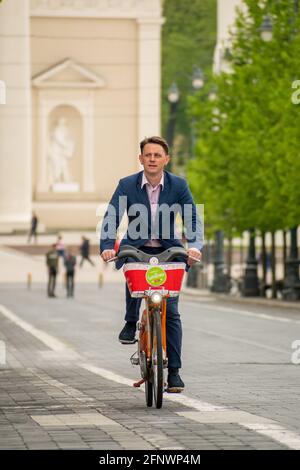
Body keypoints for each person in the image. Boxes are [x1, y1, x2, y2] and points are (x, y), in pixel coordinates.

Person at [100, 136, 203, 393]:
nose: (153, 159)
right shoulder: (127, 185)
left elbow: (192, 216)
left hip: (170, 250)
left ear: (166, 159)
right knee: (133, 272)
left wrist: (194, 246)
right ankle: (130, 319)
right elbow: (112, 215)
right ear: (141, 159)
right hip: (137, 246)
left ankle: (175, 372)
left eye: (158, 155)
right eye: (148, 155)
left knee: (173, 311)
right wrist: (106, 246)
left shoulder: (179, 185)